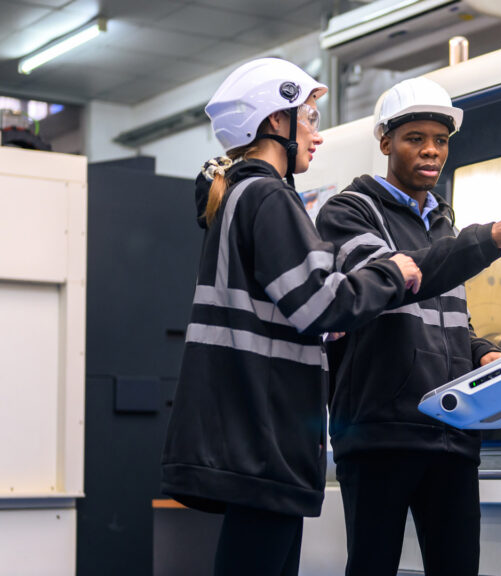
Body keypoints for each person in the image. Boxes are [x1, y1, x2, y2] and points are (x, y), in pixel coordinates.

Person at [160, 58, 423, 576]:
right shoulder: (268, 195)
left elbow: (287, 309)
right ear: (274, 122)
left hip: (245, 428)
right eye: (309, 119)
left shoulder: (235, 195)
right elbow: (317, 303)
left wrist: (325, 324)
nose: (317, 136)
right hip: (264, 430)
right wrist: (393, 272)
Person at [315, 77, 501, 576]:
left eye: (441, 140)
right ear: (385, 142)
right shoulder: (349, 211)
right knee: (372, 566)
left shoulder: (442, 223)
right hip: (380, 432)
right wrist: (490, 236)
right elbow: (396, 282)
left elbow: (448, 323)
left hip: (449, 434)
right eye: (415, 138)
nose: (431, 151)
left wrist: (483, 355)